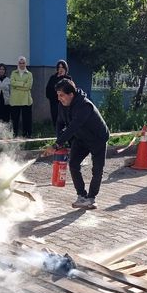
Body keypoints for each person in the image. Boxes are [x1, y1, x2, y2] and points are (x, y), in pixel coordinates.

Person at [46, 79, 110, 210]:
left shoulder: (84, 106)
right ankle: (81, 195)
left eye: (61, 95)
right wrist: (60, 140)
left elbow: (73, 127)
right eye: (58, 95)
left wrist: (57, 145)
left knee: (97, 170)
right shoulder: (62, 105)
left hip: (97, 138)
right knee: (74, 164)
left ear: (71, 94)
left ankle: (91, 199)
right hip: (81, 138)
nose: (59, 98)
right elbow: (60, 123)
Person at [10, 56, 34, 136]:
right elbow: (12, 83)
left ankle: (27, 135)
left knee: (27, 119)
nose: (22, 65)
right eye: (20, 63)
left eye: (23, 63)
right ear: (18, 64)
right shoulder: (13, 73)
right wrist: (23, 84)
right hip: (15, 100)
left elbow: (29, 86)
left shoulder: (29, 74)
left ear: (25, 64)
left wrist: (17, 85)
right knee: (15, 119)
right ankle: (14, 134)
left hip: (26, 100)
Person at [45, 60, 71, 126]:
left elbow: (69, 91)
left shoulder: (68, 78)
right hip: (54, 102)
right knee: (55, 119)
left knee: (64, 120)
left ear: (65, 68)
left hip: (64, 103)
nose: (61, 69)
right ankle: (57, 134)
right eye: (59, 67)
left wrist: (62, 77)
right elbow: (48, 90)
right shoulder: (52, 78)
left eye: (62, 67)